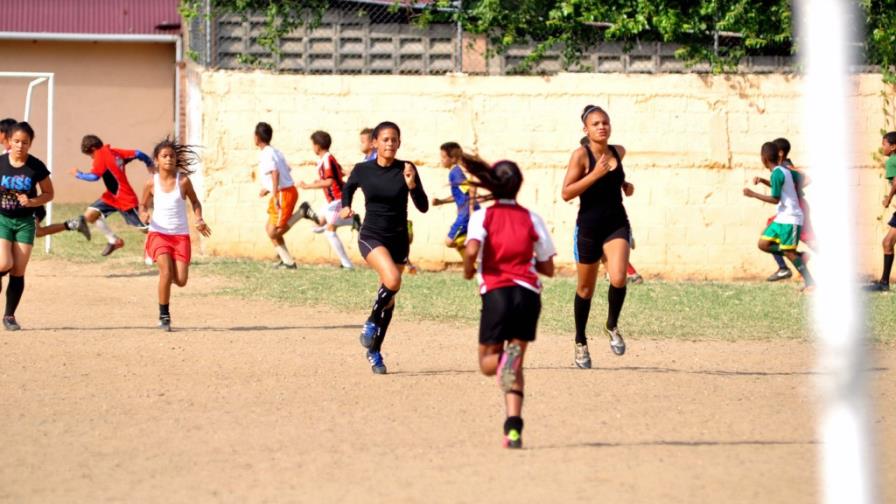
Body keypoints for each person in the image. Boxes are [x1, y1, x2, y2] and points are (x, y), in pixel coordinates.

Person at [461, 154, 555, 449]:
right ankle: (513, 430)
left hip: (498, 293)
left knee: (489, 364)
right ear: (519, 185)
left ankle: (504, 361)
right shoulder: (532, 218)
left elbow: (471, 249)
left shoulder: (483, 216)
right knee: (516, 365)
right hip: (528, 296)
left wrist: (468, 271)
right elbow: (548, 267)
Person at [340, 121, 428, 374]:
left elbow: (423, 206)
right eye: (385, 139)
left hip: (398, 239)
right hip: (372, 236)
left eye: (394, 139)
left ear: (399, 143)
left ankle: (374, 351)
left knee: (389, 298)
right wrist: (346, 206)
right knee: (393, 280)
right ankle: (370, 321)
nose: (390, 143)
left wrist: (412, 185)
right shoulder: (362, 169)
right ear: (375, 143)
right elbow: (348, 188)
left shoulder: (406, 168)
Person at [562, 106, 634, 369]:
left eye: (605, 122)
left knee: (619, 278)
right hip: (589, 229)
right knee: (585, 289)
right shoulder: (581, 156)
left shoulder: (619, 152)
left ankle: (611, 325)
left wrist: (625, 185)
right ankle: (580, 340)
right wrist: (595, 174)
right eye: (595, 124)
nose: (602, 127)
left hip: (616, 224)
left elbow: (615, 181)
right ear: (586, 129)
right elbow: (566, 193)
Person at [139, 139, 211, 331]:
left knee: (181, 280)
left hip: (180, 236)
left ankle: (168, 278)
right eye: (164, 156)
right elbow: (143, 205)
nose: (169, 159)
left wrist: (199, 218)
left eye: (172, 156)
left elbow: (195, 202)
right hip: (159, 234)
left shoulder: (183, 181)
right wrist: (144, 214)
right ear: (156, 160)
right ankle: (164, 316)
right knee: (166, 273)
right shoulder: (151, 183)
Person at [0, 122, 54, 330]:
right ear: (9, 141)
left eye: (25, 142)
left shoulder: (36, 166)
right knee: (4, 263)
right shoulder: (1, 163)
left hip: (25, 223)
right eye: (16, 141)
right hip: (2, 219)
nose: (20, 146)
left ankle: (9, 316)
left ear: (30, 143)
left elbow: (49, 193)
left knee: (18, 270)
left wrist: (32, 202)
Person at [744, 142, 814, 291]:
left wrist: (753, 194)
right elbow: (783, 184)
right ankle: (798, 257)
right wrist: (763, 180)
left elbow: (775, 199)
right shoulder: (782, 170)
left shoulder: (778, 173)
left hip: (791, 218)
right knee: (763, 244)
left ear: (764, 159)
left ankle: (810, 283)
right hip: (782, 217)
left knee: (790, 250)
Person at [72, 135, 154, 256]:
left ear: (93, 149)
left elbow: (94, 177)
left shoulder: (100, 156)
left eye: (90, 155)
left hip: (124, 198)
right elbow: (138, 153)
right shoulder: (115, 152)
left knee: (146, 229)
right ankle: (114, 241)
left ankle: (166, 239)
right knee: (90, 215)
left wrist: (78, 174)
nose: (92, 158)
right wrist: (149, 163)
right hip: (111, 197)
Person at [294, 130, 358, 269]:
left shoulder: (327, 160)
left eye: (312, 144)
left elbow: (330, 181)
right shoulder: (326, 159)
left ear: (317, 146)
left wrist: (308, 186)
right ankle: (348, 220)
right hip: (332, 201)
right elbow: (340, 172)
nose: (312, 147)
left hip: (338, 199)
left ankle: (347, 264)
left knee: (329, 230)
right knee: (318, 225)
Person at [254, 122, 299, 269]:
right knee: (269, 228)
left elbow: (275, 172)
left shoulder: (267, 153)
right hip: (282, 191)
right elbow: (286, 170)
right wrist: (268, 189)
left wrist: (274, 195)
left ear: (257, 137)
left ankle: (302, 213)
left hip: (283, 193)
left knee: (273, 232)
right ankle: (288, 262)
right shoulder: (275, 151)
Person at [431, 142, 480, 259]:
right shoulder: (455, 172)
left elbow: (471, 187)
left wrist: (471, 209)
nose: (441, 160)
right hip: (466, 213)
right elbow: (460, 194)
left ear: (452, 159)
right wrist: (441, 201)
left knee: (449, 241)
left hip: (466, 214)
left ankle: (477, 246)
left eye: (443, 157)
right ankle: (472, 262)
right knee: (454, 242)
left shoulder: (455, 172)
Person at [866, 131, 896, 291]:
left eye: (884, 144)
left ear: (893, 147)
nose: (882, 147)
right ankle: (884, 282)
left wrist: (888, 198)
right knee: (887, 242)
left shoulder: (892, 161)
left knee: (887, 242)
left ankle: (884, 283)